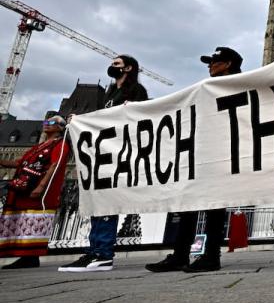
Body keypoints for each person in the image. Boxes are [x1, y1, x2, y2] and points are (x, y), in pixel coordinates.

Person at [145, 47, 242, 273]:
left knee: (214, 206)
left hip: (224, 154)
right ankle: (180, 255)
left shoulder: (238, 84)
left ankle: (211, 256)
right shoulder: (205, 89)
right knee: (189, 204)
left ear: (228, 64)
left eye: (214, 62)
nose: (210, 66)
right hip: (201, 153)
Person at [59, 55, 149, 273]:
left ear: (129, 68)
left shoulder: (136, 90)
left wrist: (134, 108)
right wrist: (79, 120)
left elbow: (144, 116)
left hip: (119, 153)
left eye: (117, 64)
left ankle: (103, 253)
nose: (112, 66)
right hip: (102, 153)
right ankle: (94, 250)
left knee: (107, 202)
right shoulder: (109, 93)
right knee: (98, 202)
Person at [0, 115, 71, 269]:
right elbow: (18, 163)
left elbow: (54, 165)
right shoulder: (39, 146)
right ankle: (24, 256)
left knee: (34, 220)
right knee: (24, 220)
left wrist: (41, 186)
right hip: (25, 188)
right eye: (45, 122)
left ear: (60, 127)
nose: (46, 124)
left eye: (51, 123)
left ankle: (31, 257)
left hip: (40, 191)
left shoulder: (60, 144)